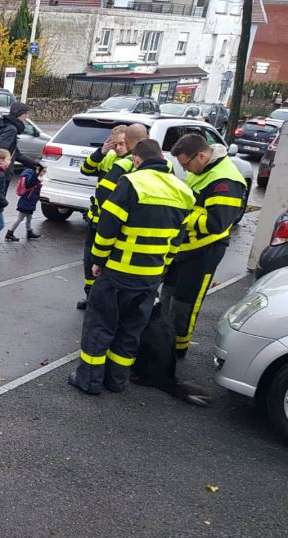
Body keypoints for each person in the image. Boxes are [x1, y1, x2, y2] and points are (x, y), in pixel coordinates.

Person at [68, 139, 195, 395]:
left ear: (137, 160)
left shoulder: (131, 183)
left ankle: (89, 381)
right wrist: (163, 265)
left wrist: (97, 261)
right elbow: (176, 240)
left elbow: (107, 227)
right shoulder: (183, 191)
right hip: (150, 277)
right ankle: (116, 380)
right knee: (131, 330)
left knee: (100, 326)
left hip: (118, 272)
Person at [166, 133, 247, 358]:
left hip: (205, 250)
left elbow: (217, 223)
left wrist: (181, 216)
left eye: (186, 164)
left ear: (201, 156)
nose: (186, 171)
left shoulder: (226, 181)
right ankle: (163, 342)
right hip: (184, 247)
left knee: (185, 302)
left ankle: (177, 350)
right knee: (169, 295)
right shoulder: (203, 169)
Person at [76, 123, 148, 310]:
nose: (117, 148)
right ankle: (90, 296)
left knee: (105, 265)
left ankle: (102, 301)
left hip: (114, 222)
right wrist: (100, 152)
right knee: (89, 261)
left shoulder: (134, 163)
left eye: (122, 144)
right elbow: (86, 170)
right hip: (95, 220)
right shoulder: (109, 158)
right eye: (115, 144)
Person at [0, 101, 41, 241]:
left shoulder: (8, 127)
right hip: (0, 176)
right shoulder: (11, 130)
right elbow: (0, 152)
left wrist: (34, 164)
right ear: (19, 115)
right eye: (25, 115)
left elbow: (16, 154)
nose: (26, 118)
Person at [4, 164, 46, 242]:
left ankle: (29, 232)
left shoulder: (34, 177)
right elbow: (30, 184)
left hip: (29, 202)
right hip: (26, 202)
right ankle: (9, 233)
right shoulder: (32, 177)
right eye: (43, 171)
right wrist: (36, 174)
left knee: (29, 218)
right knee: (20, 218)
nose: (45, 173)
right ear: (38, 170)